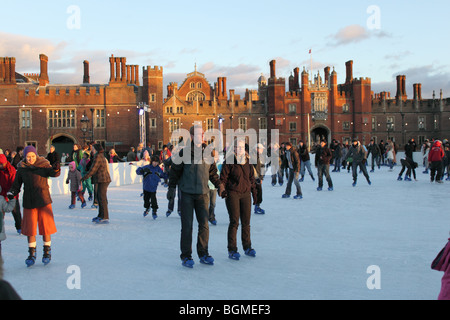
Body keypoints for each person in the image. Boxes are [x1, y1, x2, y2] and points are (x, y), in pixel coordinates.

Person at [167, 125, 223, 268]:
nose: (202, 136)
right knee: (187, 227)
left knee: (204, 225)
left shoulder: (208, 153)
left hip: (203, 194)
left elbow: (212, 172)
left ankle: (203, 253)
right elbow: (174, 172)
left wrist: (219, 185)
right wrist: (172, 189)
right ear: (192, 136)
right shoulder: (184, 153)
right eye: (199, 134)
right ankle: (186, 256)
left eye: (203, 134)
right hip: (187, 194)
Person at [7, 145, 60, 267]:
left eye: (32, 156)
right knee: (30, 229)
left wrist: (56, 169)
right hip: (29, 202)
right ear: (24, 157)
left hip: (43, 201)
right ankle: (31, 253)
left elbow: (53, 173)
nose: (30, 159)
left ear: (36, 155)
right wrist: (12, 192)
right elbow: (16, 185)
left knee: (46, 228)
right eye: (28, 157)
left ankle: (47, 252)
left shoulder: (44, 165)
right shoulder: (22, 169)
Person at [220, 139, 257, 260]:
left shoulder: (248, 161)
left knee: (246, 223)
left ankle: (247, 246)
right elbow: (223, 178)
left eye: (242, 147)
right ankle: (232, 249)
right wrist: (223, 190)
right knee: (234, 222)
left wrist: (253, 192)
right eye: (237, 147)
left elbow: (251, 178)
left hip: (246, 194)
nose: (240, 149)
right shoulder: (229, 161)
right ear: (234, 148)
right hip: (233, 194)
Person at [81, 144, 111, 224]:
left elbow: (93, 169)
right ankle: (100, 215)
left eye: (93, 149)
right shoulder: (99, 155)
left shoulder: (98, 156)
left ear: (96, 149)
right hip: (100, 179)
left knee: (102, 198)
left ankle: (104, 217)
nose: (92, 150)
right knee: (99, 197)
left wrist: (85, 177)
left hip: (103, 179)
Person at [0, 154, 22, 234]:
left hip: (11, 194)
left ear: (5, 162)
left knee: (16, 212)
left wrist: (11, 194)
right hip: (2, 194)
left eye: (1, 164)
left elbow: (14, 184)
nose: (0, 165)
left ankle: (20, 227)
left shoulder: (11, 170)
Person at [207, 150, 222, 224]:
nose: (216, 157)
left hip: (214, 187)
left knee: (213, 203)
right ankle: (205, 217)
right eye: (215, 156)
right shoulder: (208, 164)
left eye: (217, 155)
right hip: (207, 186)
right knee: (206, 203)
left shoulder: (219, 165)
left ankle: (211, 216)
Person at [253, 143, 266, 213]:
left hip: (258, 177)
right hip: (253, 177)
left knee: (259, 192)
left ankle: (257, 206)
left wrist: (261, 177)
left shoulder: (261, 156)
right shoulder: (253, 156)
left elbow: (262, 166)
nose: (262, 150)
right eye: (261, 149)